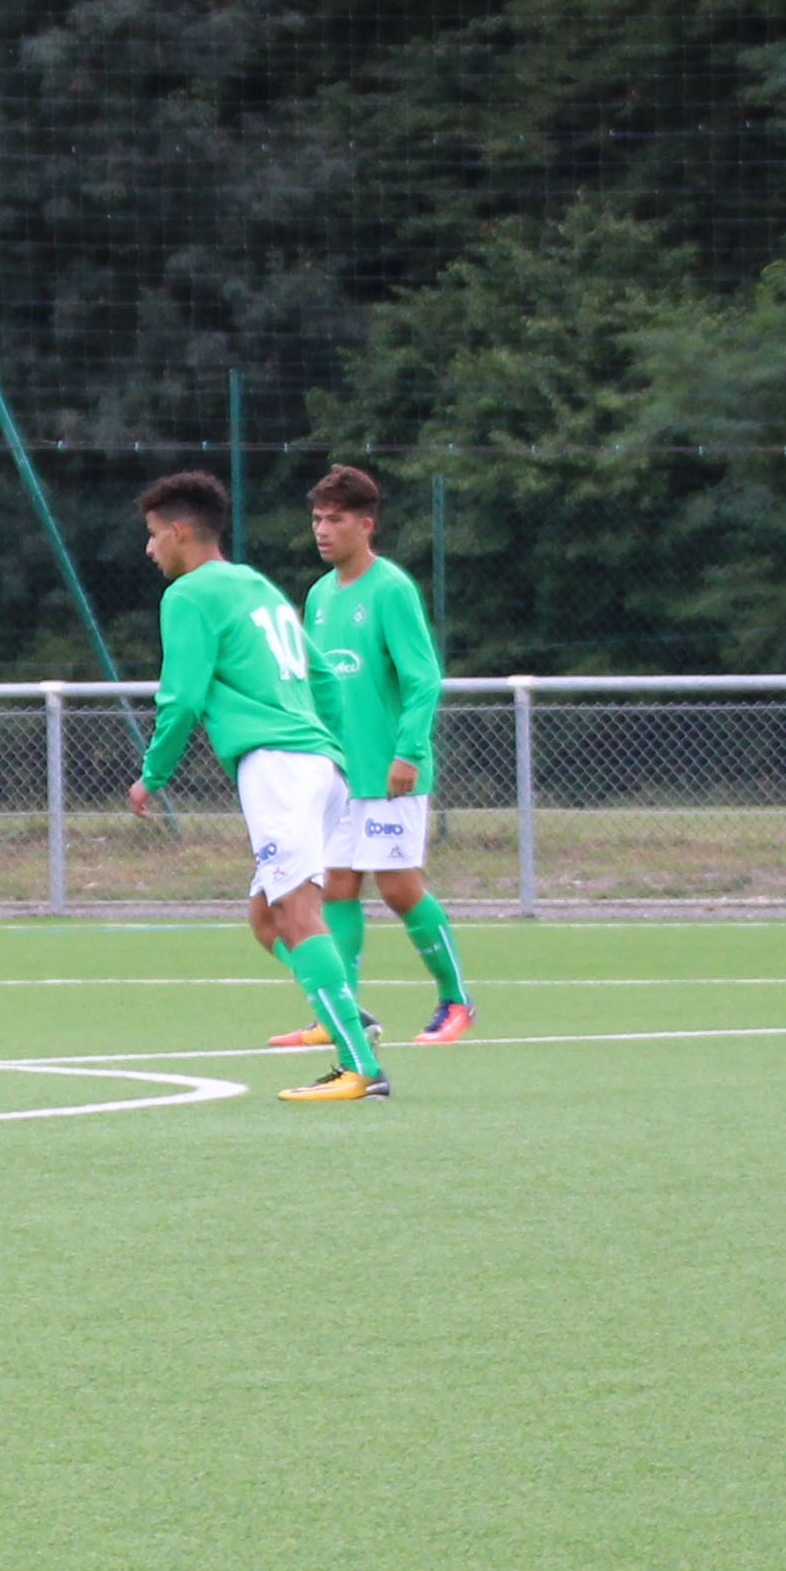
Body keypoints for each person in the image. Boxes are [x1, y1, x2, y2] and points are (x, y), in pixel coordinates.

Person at [120, 472, 385, 1100]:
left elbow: (181, 697)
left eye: (153, 535)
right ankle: (346, 1015)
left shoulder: (188, 595)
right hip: (316, 765)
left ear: (179, 532)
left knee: (296, 913)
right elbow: (324, 678)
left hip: (278, 765)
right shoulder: (255, 585)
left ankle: (361, 1068)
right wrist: (333, 752)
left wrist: (153, 775)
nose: (150, 548)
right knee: (267, 919)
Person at [277, 464, 476, 1051]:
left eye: (334, 520)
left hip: (390, 772)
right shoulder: (318, 595)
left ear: (366, 525)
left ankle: (456, 999)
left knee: (398, 888)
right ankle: (343, 1014)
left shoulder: (391, 589)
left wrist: (408, 752)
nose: (321, 530)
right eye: (316, 519)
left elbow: (423, 679)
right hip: (339, 773)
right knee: (336, 887)